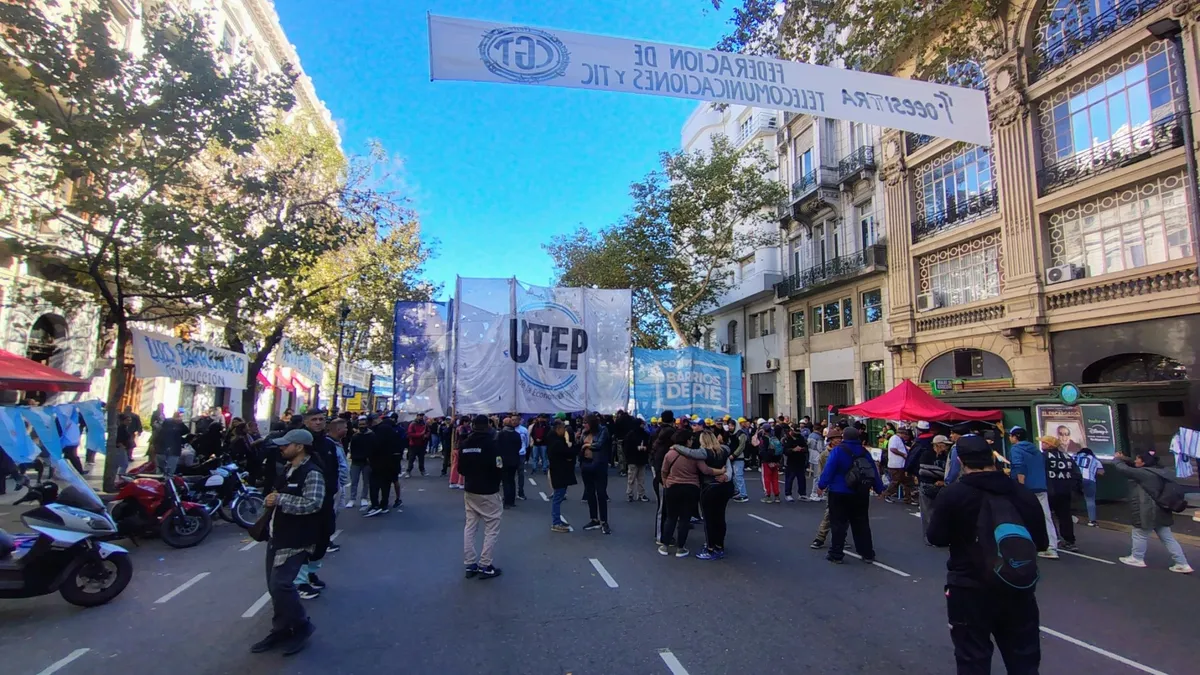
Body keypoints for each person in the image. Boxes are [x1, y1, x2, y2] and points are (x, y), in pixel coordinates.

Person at [927, 435, 1049, 675]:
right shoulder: (1022, 494)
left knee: (973, 659)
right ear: (992, 457)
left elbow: (936, 537)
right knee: (1024, 660)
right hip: (1017, 585)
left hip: (970, 587)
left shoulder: (954, 495)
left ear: (961, 461)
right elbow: (1041, 542)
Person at [251, 428, 321, 656]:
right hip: (277, 536)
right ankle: (280, 629)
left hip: (296, 539)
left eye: (286, 445)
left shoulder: (312, 473)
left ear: (299, 447)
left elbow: (313, 503)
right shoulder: (289, 470)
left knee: (282, 585)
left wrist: (281, 499)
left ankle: (301, 625)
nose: (281, 448)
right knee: (274, 588)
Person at [1109, 450, 1193, 573]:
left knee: (1139, 533)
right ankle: (1182, 563)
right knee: (1168, 538)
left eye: (1138, 459)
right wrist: (1125, 458)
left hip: (1148, 509)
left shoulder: (1144, 474)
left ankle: (1137, 558)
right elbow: (1133, 465)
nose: (1135, 461)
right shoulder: (1161, 471)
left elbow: (1124, 470)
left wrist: (1117, 459)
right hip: (1162, 508)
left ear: (1143, 462)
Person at [817, 428, 882, 564]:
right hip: (860, 492)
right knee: (862, 523)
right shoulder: (864, 452)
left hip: (839, 491)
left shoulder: (838, 451)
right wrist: (879, 488)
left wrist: (821, 485)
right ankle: (867, 553)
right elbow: (873, 471)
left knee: (838, 524)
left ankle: (836, 554)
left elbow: (829, 470)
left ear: (844, 437)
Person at [659, 428, 725, 558]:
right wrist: (721, 471)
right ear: (687, 441)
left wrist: (666, 482)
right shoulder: (695, 456)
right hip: (691, 488)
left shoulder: (670, 454)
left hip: (672, 487)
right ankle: (680, 547)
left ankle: (665, 545)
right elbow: (706, 471)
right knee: (684, 519)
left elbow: (664, 470)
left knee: (670, 517)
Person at [459, 415, 503, 579]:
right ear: (488, 426)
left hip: (470, 489)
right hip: (489, 490)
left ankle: (470, 563)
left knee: (470, 526)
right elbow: (499, 467)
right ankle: (485, 565)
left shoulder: (465, 444)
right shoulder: (493, 444)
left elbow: (461, 469)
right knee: (491, 527)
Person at [1008, 426, 1058, 560]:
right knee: (1046, 517)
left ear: (1015, 437)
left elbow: (1019, 467)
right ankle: (1051, 546)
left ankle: (1022, 545)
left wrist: (1020, 487)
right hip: (1041, 486)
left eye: (1011, 436)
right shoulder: (1036, 450)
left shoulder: (1016, 449)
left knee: (1019, 516)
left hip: (1025, 487)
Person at [696, 430, 734, 560]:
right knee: (720, 517)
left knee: (709, 519)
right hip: (724, 488)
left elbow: (704, 470)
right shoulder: (723, 452)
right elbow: (729, 469)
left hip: (709, 487)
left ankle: (710, 548)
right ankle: (719, 546)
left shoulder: (703, 453)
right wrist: (724, 475)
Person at [1042, 435, 1081, 553]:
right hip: (1065, 490)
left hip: (1050, 489)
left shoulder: (1043, 457)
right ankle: (1069, 541)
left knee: (1047, 515)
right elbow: (1076, 473)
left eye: (1044, 443)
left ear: (1049, 445)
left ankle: (1054, 538)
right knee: (1065, 516)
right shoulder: (1067, 456)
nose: (1042, 444)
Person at [579, 414, 612, 534]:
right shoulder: (584, 433)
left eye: (586, 422)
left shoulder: (603, 430)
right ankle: (594, 519)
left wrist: (587, 445)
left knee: (601, 493)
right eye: (583, 422)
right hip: (586, 464)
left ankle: (604, 521)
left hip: (599, 465)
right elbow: (579, 446)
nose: (584, 425)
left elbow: (599, 445)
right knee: (590, 492)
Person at [916, 435, 950, 544]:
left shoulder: (945, 456)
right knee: (927, 514)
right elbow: (924, 470)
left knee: (939, 513)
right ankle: (929, 538)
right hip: (926, 487)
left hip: (940, 488)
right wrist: (942, 474)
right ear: (937, 445)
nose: (946, 447)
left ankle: (939, 536)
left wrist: (943, 478)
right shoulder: (926, 454)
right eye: (944, 445)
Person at [365, 414, 400, 517]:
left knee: (374, 484)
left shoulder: (378, 431)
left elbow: (376, 445)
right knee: (386, 484)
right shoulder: (389, 429)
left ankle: (375, 505)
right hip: (390, 461)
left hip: (379, 461)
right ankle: (384, 504)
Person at [651, 411, 677, 544]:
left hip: (661, 474)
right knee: (664, 506)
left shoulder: (656, 434)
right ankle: (661, 535)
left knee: (665, 506)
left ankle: (664, 534)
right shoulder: (667, 444)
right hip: (666, 475)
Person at [547, 419, 577, 532]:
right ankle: (556, 522)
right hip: (560, 471)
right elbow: (567, 453)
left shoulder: (553, 439)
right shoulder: (557, 443)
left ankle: (557, 519)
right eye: (563, 428)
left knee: (558, 496)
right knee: (558, 497)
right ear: (558, 429)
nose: (565, 431)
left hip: (559, 471)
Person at [346, 416, 374, 509]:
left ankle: (364, 498)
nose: (362, 426)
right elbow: (352, 448)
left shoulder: (371, 435)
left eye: (363, 424)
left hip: (366, 462)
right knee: (354, 481)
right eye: (360, 424)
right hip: (356, 461)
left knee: (366, 481)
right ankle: (352, 499)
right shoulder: (355, 436)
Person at [1074, 446, 1104, 527]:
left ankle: (1071, 516)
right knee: (1090, 500)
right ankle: (1092, 521)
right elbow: (1101, 472)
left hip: (1075, 479)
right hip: (1089, 480)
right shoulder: (1095, 459)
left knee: (1068, 498)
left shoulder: (1074, 456)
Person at [881, 427, 913, 503]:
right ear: (901, 433)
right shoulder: (894, 438)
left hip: (901, 465)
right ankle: (886, 494)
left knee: (907, 481)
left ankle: (908, 498)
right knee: (896, 481)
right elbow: (893, 449)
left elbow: (900, 447)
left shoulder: (899, 440)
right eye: (904, 434)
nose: (905, 436)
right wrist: (903, 455)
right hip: (895, 464)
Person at [154, 408, 188, 476]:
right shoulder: (171, 424)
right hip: (168, 450)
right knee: (167, 470)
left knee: (163, 470)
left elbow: (186, 431)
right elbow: (185, 431)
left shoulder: (175, 425)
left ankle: (163, 479)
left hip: (167, 450)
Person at [625, 416, 650, 502]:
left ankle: (632, 494)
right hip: (639, 458)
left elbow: (626, 448)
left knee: (635, 478)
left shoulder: (630, 435)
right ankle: (638, 494)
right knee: (638, 478)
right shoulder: (644, 434)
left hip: (634, 459)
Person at [498, 416, 522, 509]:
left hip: (503, 460)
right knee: (512, 480)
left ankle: (506, 501)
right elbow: (519, 446)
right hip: (514, 460)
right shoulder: (516, 434)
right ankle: (511, 500)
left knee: (505, 481)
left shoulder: (501, 434)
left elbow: (497, 447)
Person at [756, 426, 782, 503]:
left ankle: (768, 496)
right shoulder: (775, 438)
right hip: (776, 461)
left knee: (766, 479)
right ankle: (777, 496)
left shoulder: (764, 439)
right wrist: (776, 461)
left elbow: (762, 451)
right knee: (775, 479)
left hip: (767, 462)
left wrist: (766, 460)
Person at [782, 425, 808, 502]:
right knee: (790, 478)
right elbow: (785, 451)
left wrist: (802, 449)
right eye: (795, 432)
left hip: (800, 460)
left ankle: (802, 494)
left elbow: (806, 447)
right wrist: (793, 450)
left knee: (801, 478)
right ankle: (788, 494)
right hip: (790, 461)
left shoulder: (801, 437)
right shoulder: (786, 439)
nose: (797, 434)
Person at [730, 417, 750, 502]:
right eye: (729, 425)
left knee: (738, 476)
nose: (730, 427)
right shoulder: (732, 434)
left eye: (731, 425)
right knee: (734, 476)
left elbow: (742, 446)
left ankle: (743, 494)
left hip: (739, 458)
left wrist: (734, 455)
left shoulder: (741, 434)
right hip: (733, 457)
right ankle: (738, 492)